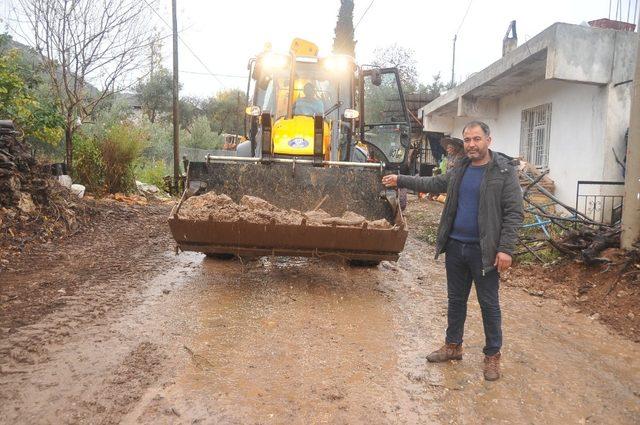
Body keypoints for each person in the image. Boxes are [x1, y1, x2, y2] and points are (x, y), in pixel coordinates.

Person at [381, 120, 523, 381]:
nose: (471, 144)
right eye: (467, 139)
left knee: (488, 304)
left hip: (485, 251)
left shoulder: (503, 171)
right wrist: (400, 179)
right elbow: (434, 183)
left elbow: (515, 212)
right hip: (456, 246)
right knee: (456, 301)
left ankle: (492, 355)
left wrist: (505, 249)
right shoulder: (461, 169)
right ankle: (453, 346)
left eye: (476, 139)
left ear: (488, 140)